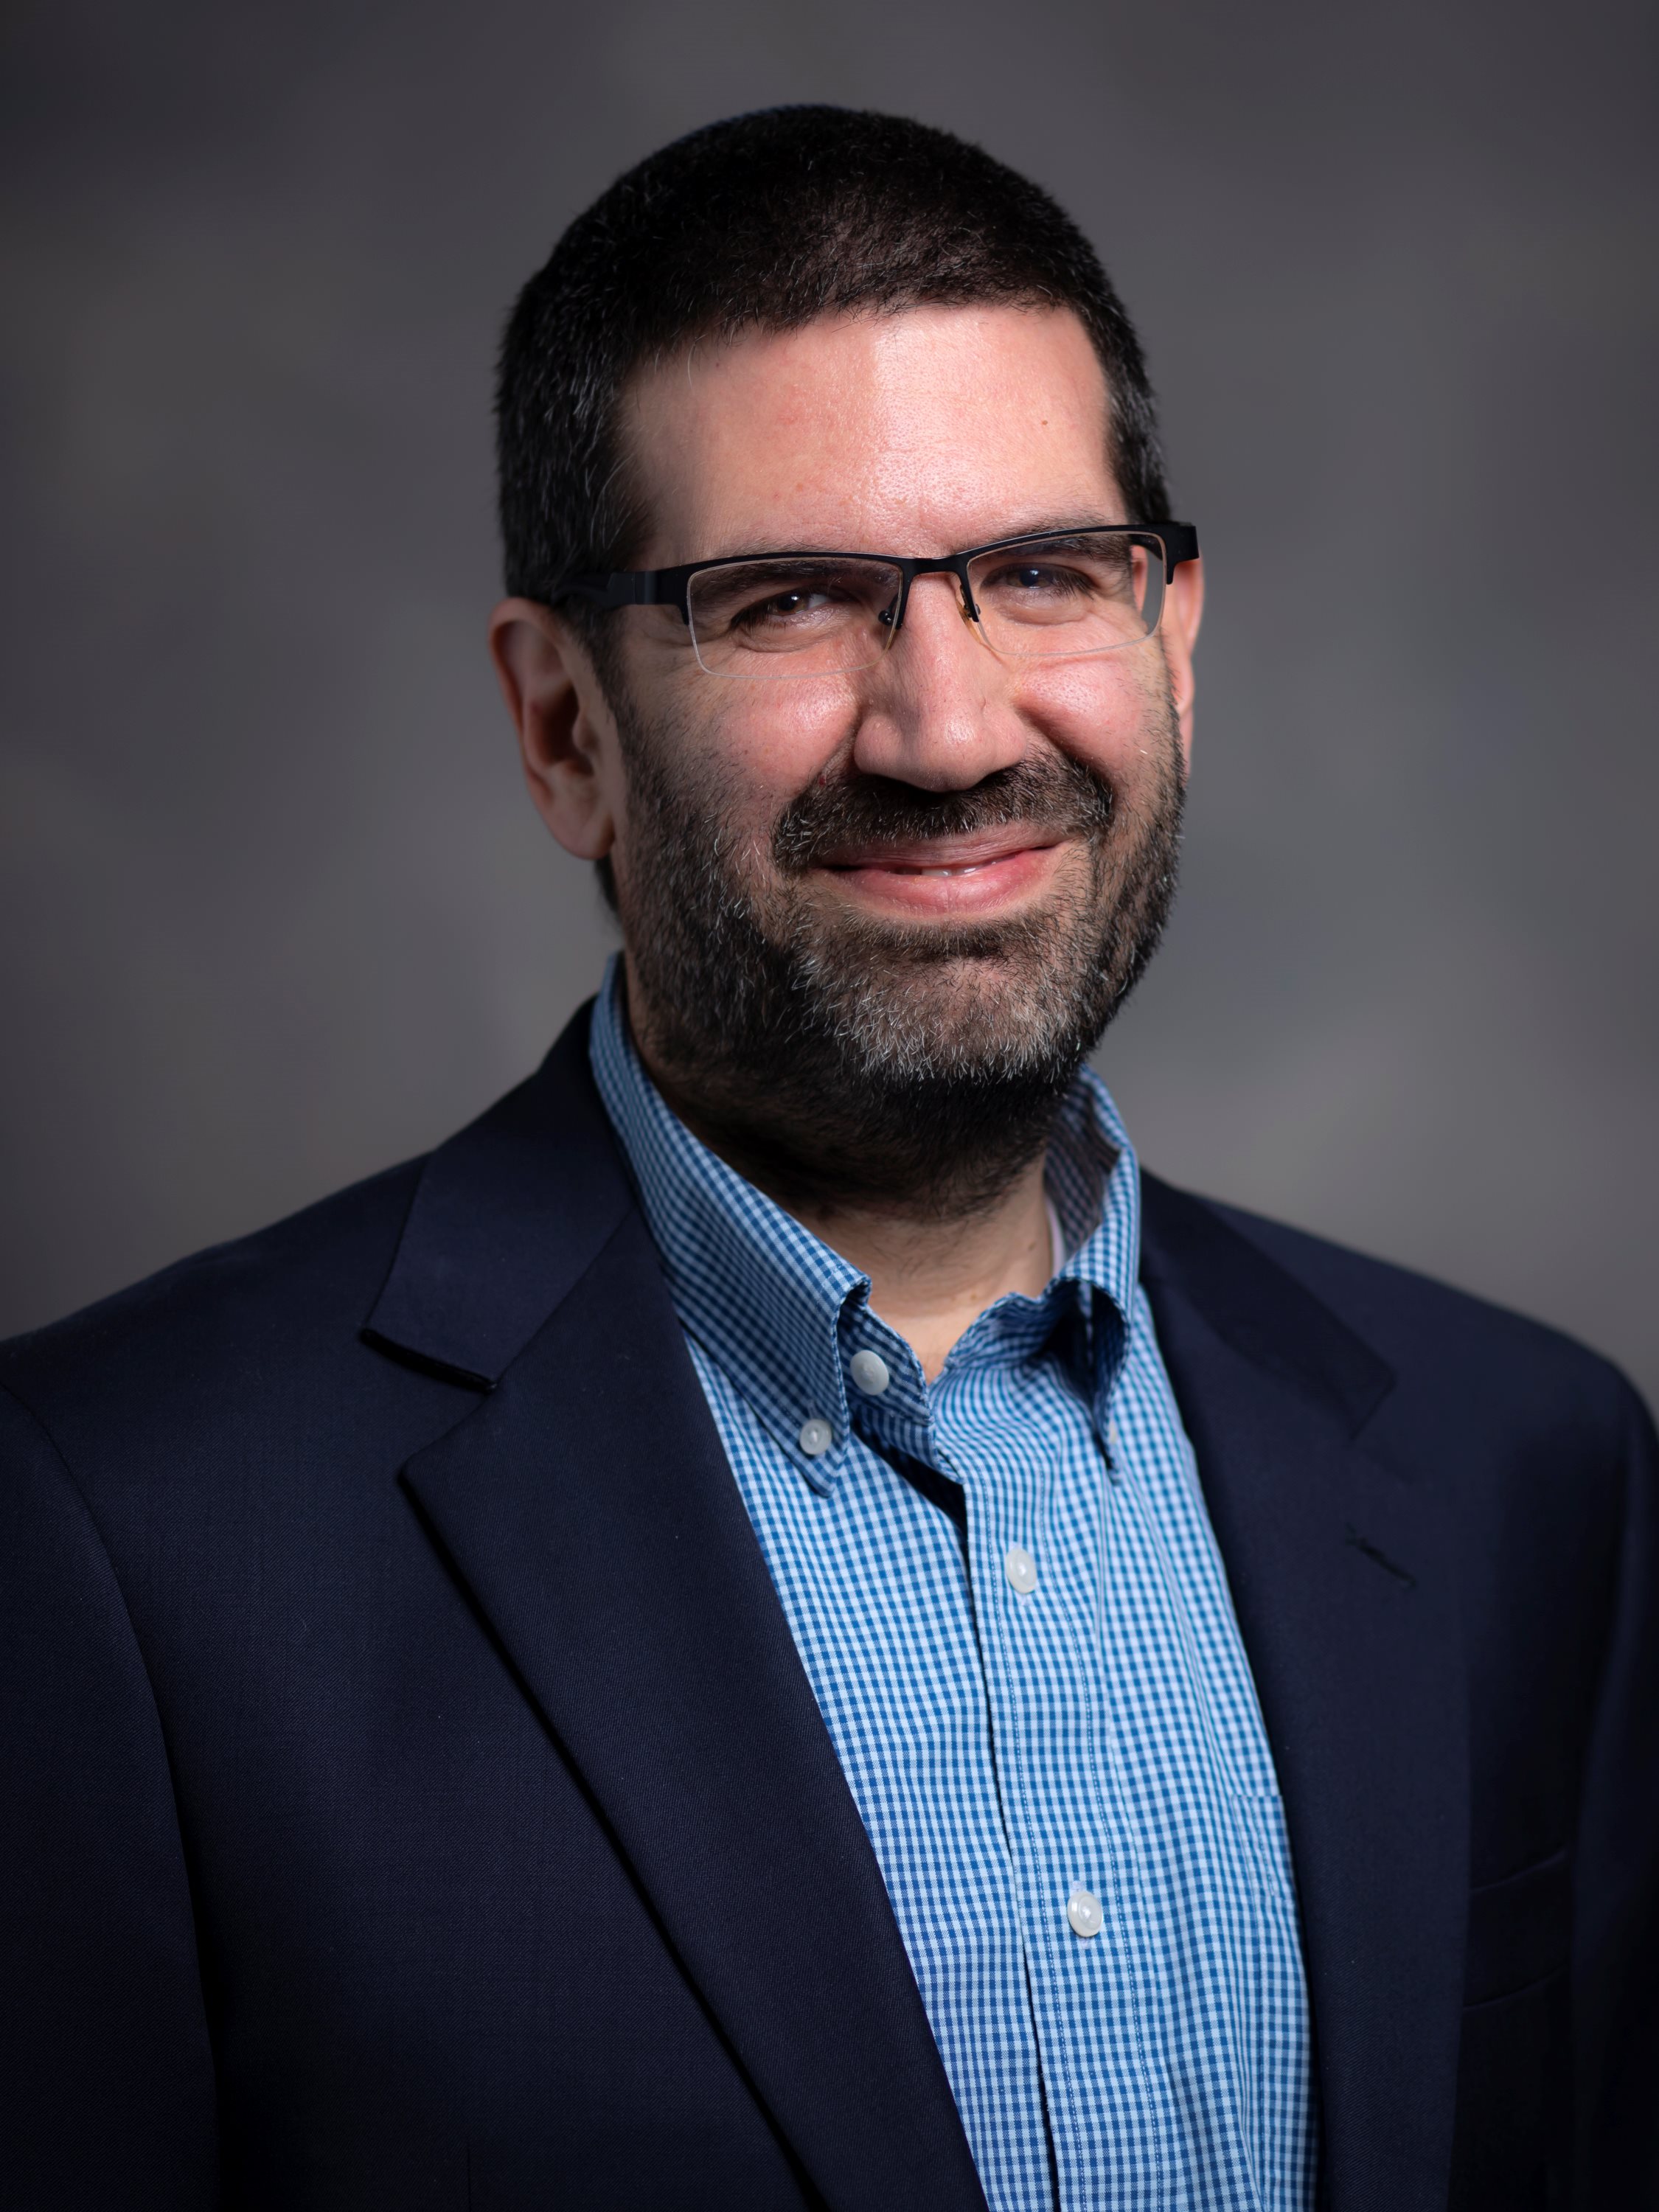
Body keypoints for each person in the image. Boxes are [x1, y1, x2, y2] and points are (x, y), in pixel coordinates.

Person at [2, 105, 1653, 2212]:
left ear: (1174, 635)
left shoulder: (1529, 1472)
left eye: (1047, 576)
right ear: (562, 729)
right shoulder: (109, 1545)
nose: (947, 730)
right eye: (788, 600)